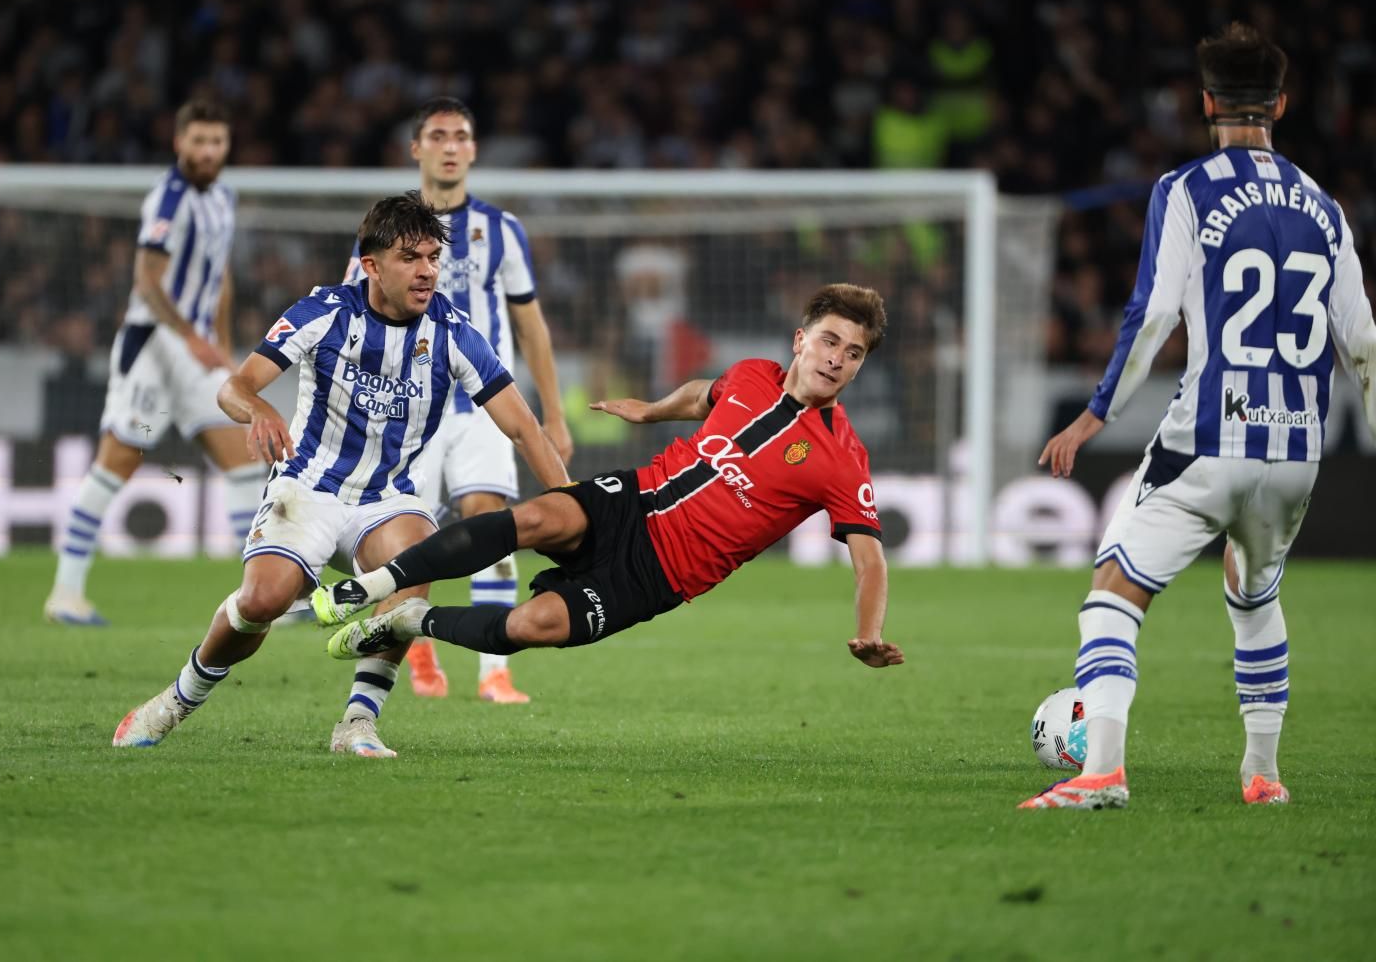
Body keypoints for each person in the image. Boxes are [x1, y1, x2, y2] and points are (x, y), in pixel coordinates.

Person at [1019, 23, 1376, 811]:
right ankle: (1263, 775)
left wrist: (1094, 415)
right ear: (1280, 104)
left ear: (1205, 101)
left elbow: (1152, 315)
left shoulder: (1187, 188)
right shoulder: (1324, 206)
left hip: (1210, 433)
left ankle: (1101, 773)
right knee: (1254, 593)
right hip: (1297, 450)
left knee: (1114, 590)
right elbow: (1364, 344)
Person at [112, 192, 569, 757]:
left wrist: (576, 509)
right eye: (410, 258)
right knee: (261, 603)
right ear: (371, 265)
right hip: (307, 487)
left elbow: (524, 429)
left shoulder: (453, 332)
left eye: (432, 257)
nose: (426, 271)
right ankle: (178, 699)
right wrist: (259, 408)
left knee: (418, 560)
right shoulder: (326, 312)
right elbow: (235, 387)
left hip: (386, 500)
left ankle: (358, 722)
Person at [312, 284, 906, 688]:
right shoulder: (753, 374)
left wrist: (868, 632)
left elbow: (870, 560)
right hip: (636, 499)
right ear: (802, 339)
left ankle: (409, 620)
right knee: (537, 518)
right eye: (830, 341)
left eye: (853, 354)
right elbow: (705, 393)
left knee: (530, 626)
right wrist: (651, 411)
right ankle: (369, 588)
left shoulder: (841, 458)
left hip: (658, 576)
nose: (837, 359)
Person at [338, 97, 573, 704]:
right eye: (437, 135)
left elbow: (532, 327)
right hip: (406, 407)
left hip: (483, 408)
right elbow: (346, 323)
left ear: (473, 149)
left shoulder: (501, 228)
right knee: (407, 535)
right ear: (416, 149)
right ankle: (413, 648)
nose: (449, 145)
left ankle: (494, 670)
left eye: (461, 135)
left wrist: (553, 413)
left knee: (490, 517)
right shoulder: (383, 232)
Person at [43, 98, 267, 625]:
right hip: (154, 348)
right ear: (179, 142)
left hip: (197, 351)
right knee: (117, 461)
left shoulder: (224, 199)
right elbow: (147, 278)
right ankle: (65, 593)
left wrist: (224, 343)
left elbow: (221, 277)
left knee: (245, 462)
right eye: (199, 141)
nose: (208, 151)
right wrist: (191, 336)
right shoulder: (168, 200)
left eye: (217, 142)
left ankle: (260, 596)